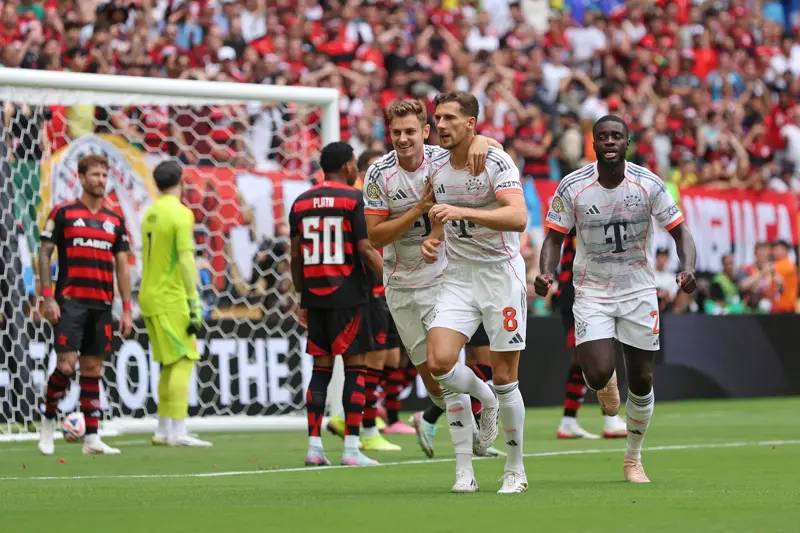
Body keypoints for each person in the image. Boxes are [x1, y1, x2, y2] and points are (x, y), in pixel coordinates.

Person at [535, 115, 697, 483]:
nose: (610, 141)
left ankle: (633, 457)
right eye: (603, 136)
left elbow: (680, 231)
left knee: (641, 380)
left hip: (638, 291)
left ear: (627, 143)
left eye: (617, 136)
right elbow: (554, 237)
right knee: (595, 372)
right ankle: (605, 384)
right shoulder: (573, 185)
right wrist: (545, 273)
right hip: (591, 291)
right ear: (593, 144)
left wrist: (687, 267)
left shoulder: (648, 183)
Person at [362, 98, 500, 462]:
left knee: (447, 369)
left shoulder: (444, 159)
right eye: (396, 132)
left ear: (426, 131)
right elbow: (375, 238)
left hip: (444, 281)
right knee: (437, 388)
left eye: (410, 131)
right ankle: (481, 399)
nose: (403, 139)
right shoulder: (378, 174)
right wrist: (418, 210)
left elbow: (493, 150)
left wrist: (482, 140)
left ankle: (467, 461)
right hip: (400, 286)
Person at [422, 91, 529, 494]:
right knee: (439, 362)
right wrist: (434, 237)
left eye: (450, 118)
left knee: (506, 377)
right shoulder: (436, 165)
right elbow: (440, 210)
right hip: (459, 276)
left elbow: (518, 217)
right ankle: (484, 405)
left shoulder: (496, 161)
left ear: (470, 123)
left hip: (500, 275)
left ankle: (515, 470)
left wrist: (462, 212)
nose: (441, 125)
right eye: (438, 118)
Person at [290, 141, 384, 467]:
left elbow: (295, 256)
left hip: (314, 295)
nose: (356, 168)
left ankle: (314, 448)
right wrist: (393, 281)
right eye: (354, 163)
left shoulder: (301, 201)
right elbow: (366, 249)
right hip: (349, 294)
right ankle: (352, 449)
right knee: (356, 368)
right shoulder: (354, 199)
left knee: (321, 370)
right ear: (346, 166)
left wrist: (301, 295)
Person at [38, 154, 133, 456]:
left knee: (93, 369)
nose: (100, 180)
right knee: (66, 366)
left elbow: (123, 265)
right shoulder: (64, 212)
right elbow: (44, 254)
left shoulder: (115, 220)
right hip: (70, 303)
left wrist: (126, 308)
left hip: (101, 305)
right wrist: (47, 296)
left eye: (104, 175)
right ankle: (48, 422)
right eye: (95, 175)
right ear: (81, 178)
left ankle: (92, 438)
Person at [326, 149, 408, 451]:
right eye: (374, 167)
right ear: (359, 170)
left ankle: (363, 418)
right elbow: (366, 247)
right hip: (372, 286)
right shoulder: (360, 199)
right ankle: (368, 427)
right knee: (373, 358)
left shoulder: (379, 196)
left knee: (390, 358)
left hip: (384, 285)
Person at [139, 160, 212, 447]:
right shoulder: (181, 213)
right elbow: (185, 258)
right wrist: (194, 300)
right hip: (171, 296)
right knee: (184, 358)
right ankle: (178, 431)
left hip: (149, 294)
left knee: (168, 364)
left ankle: (163, 429)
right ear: (182, 181)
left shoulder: (150, 212)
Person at [553, 229, 627, 440]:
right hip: (581, 292)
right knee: (599, 354)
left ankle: (569, 421)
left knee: (581, 360)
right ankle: (610, 419)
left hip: (577, 291)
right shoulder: (586, 222)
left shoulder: (580, 221)